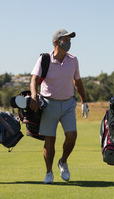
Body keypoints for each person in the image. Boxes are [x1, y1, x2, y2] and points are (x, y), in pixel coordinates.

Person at [30, 29, 89, 184]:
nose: (69, 42)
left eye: (70, 39)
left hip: (68, 103)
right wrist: (34, 96)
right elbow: (34, 79)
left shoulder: (73, 59)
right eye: (65, 39)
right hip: (49, 103)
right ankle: (49, 172)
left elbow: (78, 82)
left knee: (72, 136)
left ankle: (63, 161)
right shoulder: (45, 59)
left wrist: (84, 101)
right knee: (50, 140)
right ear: (56, 42)